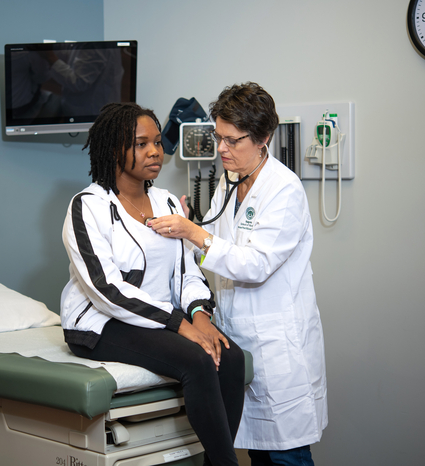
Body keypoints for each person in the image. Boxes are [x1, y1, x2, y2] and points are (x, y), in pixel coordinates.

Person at [147, 82, 327, 466]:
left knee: (286, 457)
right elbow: (219, 249)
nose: (222, 150)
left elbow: (256, 265)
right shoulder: (231, 182)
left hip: (277, 347)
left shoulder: (284, 190)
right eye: (218, 138)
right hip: (238, 340)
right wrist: (192, 228)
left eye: (232, 141)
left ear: (263, 138)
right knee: (258, 456)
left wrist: (194, 233)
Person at [60, 102, 246, 466]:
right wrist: (180, 325)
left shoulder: (164, 202)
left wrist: (201, 318)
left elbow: (188, 270)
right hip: (100, 323)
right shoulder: (87, 207)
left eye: (158, 142)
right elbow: (107, 291)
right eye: (141, 144)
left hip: (161, 319)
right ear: (115, 149)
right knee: (197, 360)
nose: (155, 152)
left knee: (231, 356)